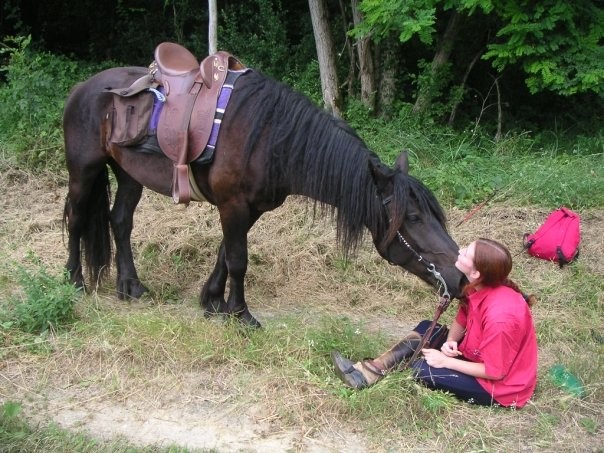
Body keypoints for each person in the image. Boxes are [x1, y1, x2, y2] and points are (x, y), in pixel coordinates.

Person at [331, 238, 538, 408]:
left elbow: (496, 372)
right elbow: (463, 316)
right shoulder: (479, 286)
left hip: (499, 387)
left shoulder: (501, 317)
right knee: (427, 328)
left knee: (420, 369)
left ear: (476, 273)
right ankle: (370, 370)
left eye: (467, 253)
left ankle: (368, 375)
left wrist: (445, 361)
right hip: (476, 356)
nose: (461, 249)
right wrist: (450, 341)